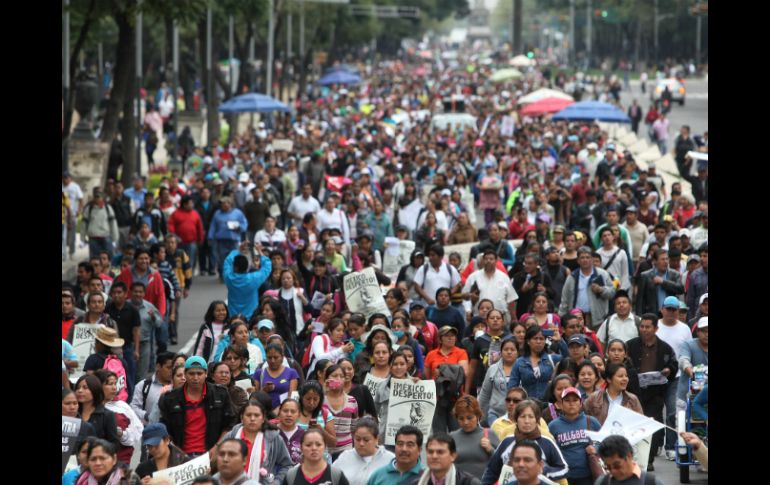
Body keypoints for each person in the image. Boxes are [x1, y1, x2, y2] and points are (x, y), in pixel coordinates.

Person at [626, 314, 677, 470]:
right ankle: (632, 458)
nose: (644, 330)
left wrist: (669, 370)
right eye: (642, 326)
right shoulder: (630, 345)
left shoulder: (665, 348)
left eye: (648, 327)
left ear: (656, 328)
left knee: (652, 426)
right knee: (633, 425)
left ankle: (648, 459)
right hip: (633, 392)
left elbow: (673, 365)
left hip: (655, 394)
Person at [158, 356, 236, 457]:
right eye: (191, 373)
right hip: (181, 457)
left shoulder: (220, 394)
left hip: (212, 454)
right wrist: (176, 452)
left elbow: (229, 425)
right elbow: (164, 429)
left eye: (199, 373)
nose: (195, 378)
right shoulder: (170, 399)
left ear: (206, 374)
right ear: (185, 374)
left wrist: (217, 447)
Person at [482, 399, 567, 485]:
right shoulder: (507, 442)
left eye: (531, 417)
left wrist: (545, 472)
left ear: (537, 420)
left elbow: (564, 468)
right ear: (516, 419)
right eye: (522, 416)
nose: (526, 421)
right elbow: (491, 471)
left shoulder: (547, 443)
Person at [222, 400, 295, 483]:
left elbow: (287, 465)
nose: (252, 419)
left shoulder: (274, 439)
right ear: (242, 418)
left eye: (256, 415)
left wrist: (276, 482)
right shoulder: (231, 436)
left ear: (263, 418)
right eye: (248, 415)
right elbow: (219, 461)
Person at [547, 387, 601, 485]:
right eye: (567, 400)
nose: (571, 403)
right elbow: (550, 450)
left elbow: (604, 443)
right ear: (561, 404)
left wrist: (595, 448)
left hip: (588, 475)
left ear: (580, 403)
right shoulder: (553, 426)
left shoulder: (591, 421)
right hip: (564, 476)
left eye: (575, 400)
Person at [558, 247, 616, 330]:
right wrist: (561, 317)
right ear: (578, 260)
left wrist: (601, 290)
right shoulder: (572, 277)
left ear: (592, 259)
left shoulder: (602, 274)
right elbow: (565, 299)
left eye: (587, 257)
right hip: (576, 319)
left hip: (597, 319)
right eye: (582, 257)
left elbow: (612, 292)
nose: (585, 260)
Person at [463, 249, 519, 324]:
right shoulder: (473, 276)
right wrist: (468, 308)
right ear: (483, 260)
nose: (488, 261)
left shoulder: (503, 277)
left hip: (500, 318)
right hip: (480, 319)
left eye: (491, 259)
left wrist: (513, 317)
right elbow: (464, 295)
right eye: (486, 259)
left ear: (496, 261)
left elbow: (511, 299)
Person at [508, 325, 562, 402]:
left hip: (549, 405)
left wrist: (559, 340)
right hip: (527, 405)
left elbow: (569, 358)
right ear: (528, 341)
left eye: (541, 339)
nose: (538, 341)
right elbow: (512, 388)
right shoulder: (519, 362)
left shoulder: (552, 359)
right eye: (535, 338)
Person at [335, 417, 396, 485]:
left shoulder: (390, 460)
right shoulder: (345, 457)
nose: (361, 444)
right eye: (358, 439)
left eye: (366, 440)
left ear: (376, 439)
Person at [450, 396, 500, 477]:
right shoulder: (452, 437)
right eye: (461, 418)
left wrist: (491, 450)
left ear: (478, 416)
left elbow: (502, 462)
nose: (465, 422)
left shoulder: (489, 434)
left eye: (469, 418)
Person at [283, 429, 350, 485]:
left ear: (325, 446)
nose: (314, 448)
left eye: (318, 444)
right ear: (301, 447)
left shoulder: (336, 475)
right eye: (308, 445)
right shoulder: (291, 476)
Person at [414, 433, 481, 485]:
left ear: (453, 456)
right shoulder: (418, 483)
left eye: (440, 452)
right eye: (430, 452)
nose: (434, 456)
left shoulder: (469, 483)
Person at [595, 435, 664, 484]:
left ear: (629, 456)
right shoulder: (602, 482)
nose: (613, 471)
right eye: (608, 467)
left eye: (617, 466)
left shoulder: (651, 482)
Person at [479, 338, 518, 425]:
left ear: (517, 352)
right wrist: (480, 414)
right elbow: (485, 394)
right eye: (506, 349)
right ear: (501, 352)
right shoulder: (493, 369)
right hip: (495, 414)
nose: (509, 352)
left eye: (512, 350)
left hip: (518, 414)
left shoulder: (523, 369)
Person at [74, 374, 121, 448]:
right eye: (78, 388)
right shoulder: (71, 413)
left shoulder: (107, 415)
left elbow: (114, 444)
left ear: (95, 390)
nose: (80, 391)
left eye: (85, 388)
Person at [208, 197, 248, 281]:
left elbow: (244, 224)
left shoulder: (237, 213)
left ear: (230, 204)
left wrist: (239, 227)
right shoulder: (217, 213)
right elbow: (213, 226)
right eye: (223, 203)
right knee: (222, 259)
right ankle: (223, 275)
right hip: (221, 240)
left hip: (234, 240)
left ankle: (236, 274)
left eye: (226, 203)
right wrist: (210, 237)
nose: (225, 205)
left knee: (235, 258)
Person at [635, 250, 684, 315]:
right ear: (655, 261)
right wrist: (639, 317)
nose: (665, 262)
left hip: (670, 313)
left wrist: (663, 282)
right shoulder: (645, 276)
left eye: (667, 259)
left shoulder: (674, 274)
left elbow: (680, 289)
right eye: (662, 259)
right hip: (652, 314)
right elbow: (640, 300)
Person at [253, 343, 300, 410]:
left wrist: (279, 410)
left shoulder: (291, 373)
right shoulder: (259, 373)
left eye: (276, 357)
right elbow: (255, 398)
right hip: (263, 411)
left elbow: (291, 397)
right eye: (269, 357)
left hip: (284, 411)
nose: (272, 361)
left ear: (282, 357)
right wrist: (264, 390)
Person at [82, 188, 120, 260]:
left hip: (106, 237)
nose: (97, 199)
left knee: (109, 257)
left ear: (102, 198)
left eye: (99, 197)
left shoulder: (108, 208)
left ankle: (110, 271)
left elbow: (113, 223)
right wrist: (82, 237)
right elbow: (84, 224)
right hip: (93, 238)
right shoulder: (89, 208)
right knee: (94, 259)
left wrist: (115, 238)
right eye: (96, 197)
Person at [677, 317, 708, 402]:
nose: (707, 334)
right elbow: (683, 360)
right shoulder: (688, 345)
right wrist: (691, 371)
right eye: (703, 331)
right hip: (686, 395)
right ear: (698, 332)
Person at [276, 399, 305, 464]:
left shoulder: (304, 435)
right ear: (279, 412)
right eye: (285, 411)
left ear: (299, 415)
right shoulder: (272, 432)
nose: (289, 414)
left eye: (293, 411)